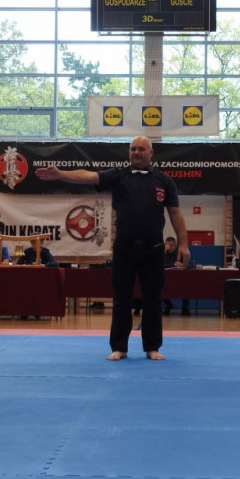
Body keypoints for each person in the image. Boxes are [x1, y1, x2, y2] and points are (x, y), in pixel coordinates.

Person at [35, 135, 190, 361]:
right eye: (133, 149)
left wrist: (183, 244)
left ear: (151, 153)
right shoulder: (118, 175)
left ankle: (152, 347)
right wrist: (61, 174)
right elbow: (88, 176)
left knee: (153, 299)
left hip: (154, 248)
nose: (136, 152)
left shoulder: (164, 181)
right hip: (124, 248)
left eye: (141, 149)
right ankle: (119, 347)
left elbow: (175, 213)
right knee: (121, 299)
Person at [162, 235, 188, 315]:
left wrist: (182, 264)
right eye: (167, 245)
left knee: (187, 287)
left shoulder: (180, 252)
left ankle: (185, 308)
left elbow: (187, 264)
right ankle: (168, 305)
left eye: (171, 245)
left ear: (175, 245)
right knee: (159, 288)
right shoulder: (164, 252)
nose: (169, 247)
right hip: (166, 278)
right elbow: (160, 264)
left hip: (180, 279)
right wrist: (164, 251)